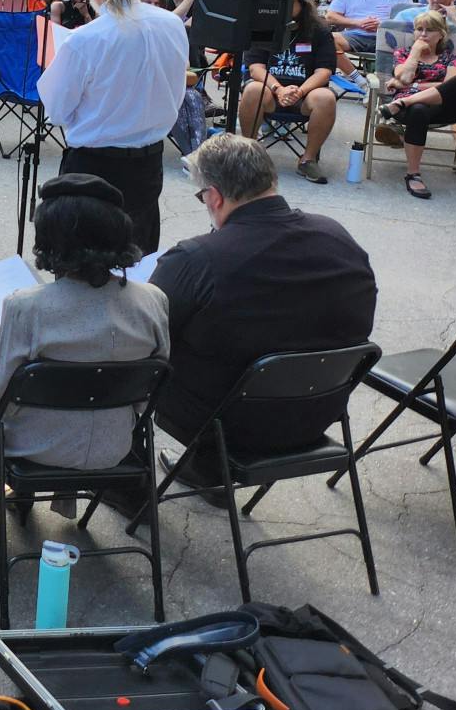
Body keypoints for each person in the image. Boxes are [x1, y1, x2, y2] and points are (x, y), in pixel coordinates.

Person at [0, 173, 171, 544]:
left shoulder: (25, 307)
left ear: (50, 241)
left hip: (35, 447)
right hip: (114, 445)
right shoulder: (153, 301)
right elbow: (148, 389)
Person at [152, 135, 377, 475]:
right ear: (271, 180)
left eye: (202, 197)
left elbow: (146, 333)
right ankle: (208, 471)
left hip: (223, 423)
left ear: (214, 196)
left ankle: (131, 479)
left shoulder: (197, 259)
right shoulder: (338, 237)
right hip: (317, 411)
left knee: (134, 357)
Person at [36, 0, 190, 250]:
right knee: (137, 261)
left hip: (94, 166)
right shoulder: (173, 24)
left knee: (82, 267)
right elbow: (176, 88)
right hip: (148, 162)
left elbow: (57, 111)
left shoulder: (83, 40)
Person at [241, 0, 338, 182]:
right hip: (271, 90)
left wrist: (300, 91)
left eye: (290, 3)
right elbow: (256, 68)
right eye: (279, 3)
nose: (283, 7)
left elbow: (324, 71)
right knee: (253, 89)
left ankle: (307, 160)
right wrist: (278, 88)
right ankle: (248, 153)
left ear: (302, 5)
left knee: (326, 97)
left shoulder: (319, 31)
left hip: (305, 94)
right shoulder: (263, 27)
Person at [375, 9, 456, 199]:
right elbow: (403, 75)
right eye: (419, 29)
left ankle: (405, 102)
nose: (422, 34)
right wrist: (415, 52)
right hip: (411, 112)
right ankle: (413, 174)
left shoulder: (451, 58)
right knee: (419, 110)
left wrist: (411, 87)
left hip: (441, 108)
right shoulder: (403, 53)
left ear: (441, 34)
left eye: (429, 30)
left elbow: (449, 86)